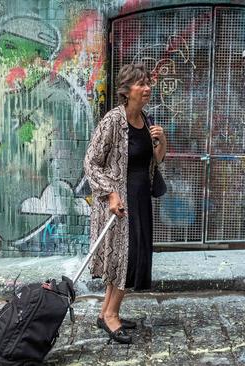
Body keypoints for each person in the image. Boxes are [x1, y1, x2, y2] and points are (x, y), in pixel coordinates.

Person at [83, 63, 167, 344]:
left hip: (140, 201)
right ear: (126, 90)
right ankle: (110, 316)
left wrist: (161, 142)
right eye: (141, 84)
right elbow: (91, 163)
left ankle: (106, 311)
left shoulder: (145, 119)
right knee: (125, 260)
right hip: (118, 205)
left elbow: (155, 161)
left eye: (148, 83)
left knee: (129, 258)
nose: (147, 88)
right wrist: (111, 194)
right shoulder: (112, 121)